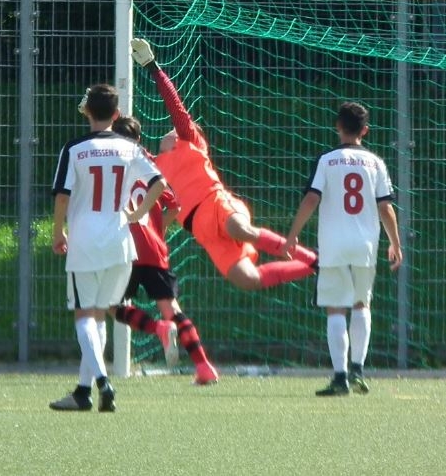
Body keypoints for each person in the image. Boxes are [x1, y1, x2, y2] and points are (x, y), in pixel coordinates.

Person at [130, 38, 318, 290]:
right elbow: (122, 142)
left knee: (239, 228)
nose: (174, 129)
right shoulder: (153, 165)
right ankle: (320, 265)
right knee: (248, 280)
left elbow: (175, 107)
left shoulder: (189, 141)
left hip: (216, 204)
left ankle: (308, 256)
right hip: (202, 230)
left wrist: (153, 67)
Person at [49, 84, 168, 412]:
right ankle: (83, 391)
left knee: (84, 315)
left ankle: (102, 381)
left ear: (87, 110)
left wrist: (58, 231)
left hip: (86, 240)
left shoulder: (75, 148)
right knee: (99, 314)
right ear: (116, 115)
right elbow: (159, 184)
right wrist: (138, 215)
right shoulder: (130, 148)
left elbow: (62, 195)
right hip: (119, 240)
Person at [285, 101, 402, 396]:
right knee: (362, 304)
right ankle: (359, 369)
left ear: (337, 126)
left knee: (335, 307)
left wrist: (292, 235)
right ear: (365, 130)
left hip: (334, 244)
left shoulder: (327, 160)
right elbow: (385, 207)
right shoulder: (376, 162)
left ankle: (340, 378)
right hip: (365, 244)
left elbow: (311, 198)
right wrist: (395, 243)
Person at [110, 115, 219, 385]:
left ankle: (158, 328)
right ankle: (204, 366)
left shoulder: (110, 163)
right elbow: (175, 206)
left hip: (125, 246)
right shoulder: (150, 163)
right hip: (154, 247)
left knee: (111, 305)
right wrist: (157, 229)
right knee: (172, 308)